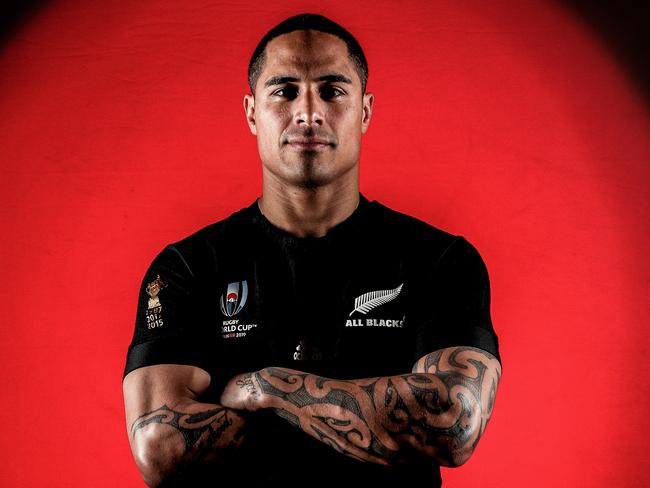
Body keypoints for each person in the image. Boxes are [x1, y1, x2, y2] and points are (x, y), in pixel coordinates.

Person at [122, 13, 502, 487]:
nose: (307, 112)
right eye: (283, 91)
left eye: (332, 90)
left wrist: (266, 388)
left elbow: (452, 424)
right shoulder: (188, 267)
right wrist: (371, 422)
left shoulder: (440, 261)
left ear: (364, 110)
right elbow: (159, 446)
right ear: (251, 112)